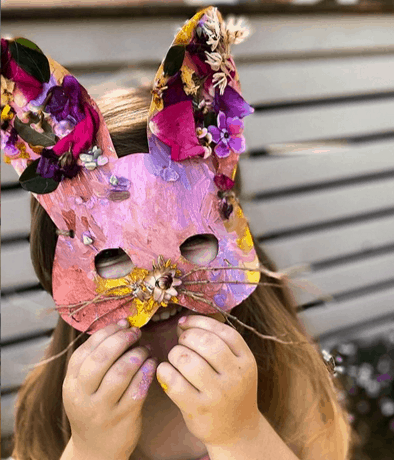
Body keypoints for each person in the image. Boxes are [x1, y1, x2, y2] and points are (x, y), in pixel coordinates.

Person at [3, 7, 359, 460]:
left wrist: (242, 436)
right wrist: (88, 449)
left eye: (192, 244)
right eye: (112, 256)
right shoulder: (60, 406)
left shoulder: (279, 374)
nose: (161, 286)